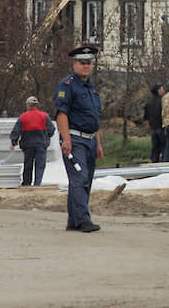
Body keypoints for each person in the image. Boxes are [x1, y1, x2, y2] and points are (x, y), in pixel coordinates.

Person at [54, 45, 103, 232]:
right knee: (79, 178)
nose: (86, 66)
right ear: (74, 63)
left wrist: (98, 142)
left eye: (89, 63)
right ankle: (83, 220)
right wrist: (66, 139)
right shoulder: (66, 86)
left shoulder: (90, 87)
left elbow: (94, 117)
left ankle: (74, 221)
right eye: (82, 63)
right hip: (75, 139)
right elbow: (61, 114)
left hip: (90, 140)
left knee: (86, 180)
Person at [10, 96, 56, 186]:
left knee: (28, 165)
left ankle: (26, 184)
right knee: (40, 166)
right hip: (41, 145)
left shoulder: (23, 117)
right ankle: (37, 184)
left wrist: (13, 142)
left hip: (28, 145)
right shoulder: (44, 116)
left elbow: (16, 131)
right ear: (36, 105)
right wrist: (47, 137)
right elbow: (51, 129)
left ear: (28, 105)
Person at [143, 84, 165, 163]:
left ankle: (153, 163)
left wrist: (150, 126)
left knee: (155, 147)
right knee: (164, 146)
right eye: (162, 88)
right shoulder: (163, 101)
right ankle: (164, 163)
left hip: (153, 128)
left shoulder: (148, 103)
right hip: (161, 127)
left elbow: (146, 118)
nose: (163, 90)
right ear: (159, 90)